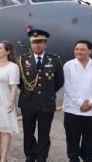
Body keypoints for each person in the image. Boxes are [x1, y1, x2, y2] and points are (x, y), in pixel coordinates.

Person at [18, 29, 64, 162]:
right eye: (33, 43)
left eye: (39, 42)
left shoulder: (54, 60)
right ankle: (30, 155)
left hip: (46, 102)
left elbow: (59, 81)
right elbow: (20, 82)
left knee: (44, 133)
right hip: (28, 102)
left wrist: (47, 92)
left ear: (45, 44)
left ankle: (42, 156)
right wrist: (28, 92)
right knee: (28, 132)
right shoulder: (23, 60)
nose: (36, 45)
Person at [62, 40, 92, 162]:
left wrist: (91, 103)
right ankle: (73, 158)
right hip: (72, 109)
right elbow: (66, 86)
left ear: (90, 51)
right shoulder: (68, 66)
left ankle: (88, 158)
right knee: (72, 137)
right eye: (76, 49)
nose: (78, 51)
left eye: (82, 49)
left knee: (89, 136)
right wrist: (81, 102)